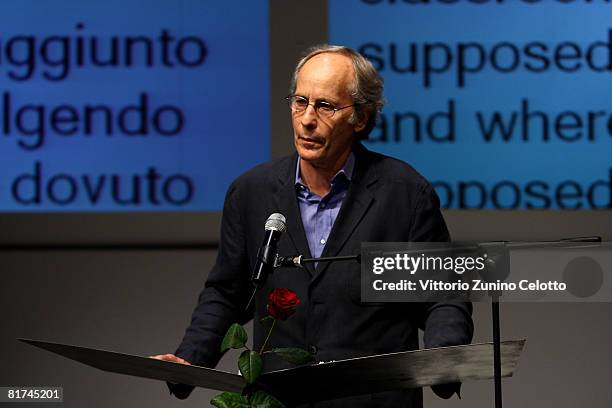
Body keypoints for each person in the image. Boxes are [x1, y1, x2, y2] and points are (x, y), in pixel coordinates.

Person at [152, 44, 473, 407]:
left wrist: (445, 358)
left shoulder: (405, 194)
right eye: (299, 101)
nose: (306, 118)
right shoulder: (251, 192)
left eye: (325, 106)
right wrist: (189, 359)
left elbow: (442, 297)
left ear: (361, 118)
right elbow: (227, 293)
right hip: (280, 401)